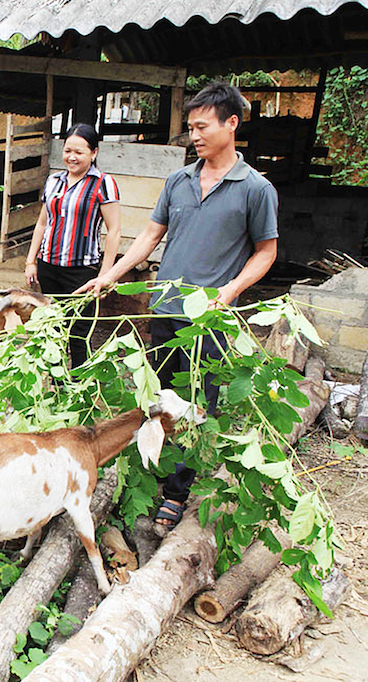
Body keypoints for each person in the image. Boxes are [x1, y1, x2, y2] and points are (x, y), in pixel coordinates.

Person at [76, 82, 279, 531]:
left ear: (232, 124)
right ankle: (150, 467)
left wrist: (230, 291)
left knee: (194, 402)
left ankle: (177, 489)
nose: (195, 136)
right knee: (157, 395)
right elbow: (149, 237)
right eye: (190, 128)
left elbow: (266, 252)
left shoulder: (256, 189)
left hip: (208, 320)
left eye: (202, 126)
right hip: (163, 311)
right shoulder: (179, 180)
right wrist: (111, 275)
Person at [24, 123, 121, 367]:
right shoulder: (54, 181)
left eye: (79, 152)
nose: (72, 157)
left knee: (79, 334)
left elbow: (114, 232)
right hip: (49, 267)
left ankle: (77, 392)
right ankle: (57, 389)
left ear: (94, 153)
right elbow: (42, 224)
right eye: (68, 151)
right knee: (53, 330)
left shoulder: (103, 183)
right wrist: (31, 260)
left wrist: (105, 275)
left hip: (82, 272)